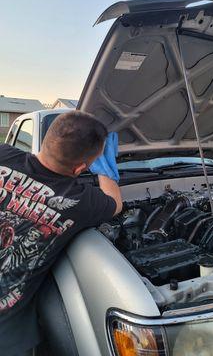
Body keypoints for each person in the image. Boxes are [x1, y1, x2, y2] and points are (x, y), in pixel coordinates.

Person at [0, 110, 122, 355]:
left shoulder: (4, 154)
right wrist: (104, 172)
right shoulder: (80, 201)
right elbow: (116, 204)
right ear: (79, 169)